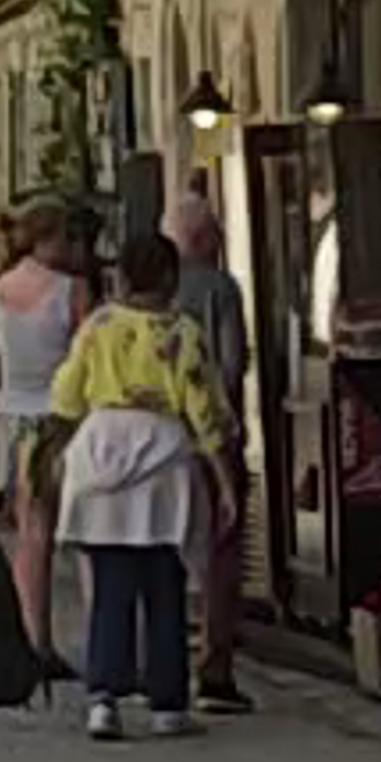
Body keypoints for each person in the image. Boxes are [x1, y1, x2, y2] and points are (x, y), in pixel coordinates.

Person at [49, 230, 235, 746]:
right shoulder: (183, 332)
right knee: (164, 584)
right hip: (162, 458)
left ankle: (103, 698)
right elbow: (204, 407)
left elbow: (65, 395)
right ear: (172, 278)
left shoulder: (98, 326)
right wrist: (224, 480)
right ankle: (168, 701)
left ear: (123, 276)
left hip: (101, 446)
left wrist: (49, 457)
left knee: (110, 586)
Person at [0, 201, 90, 678]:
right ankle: (102, 640)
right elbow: (91, 357)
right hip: (65, 419)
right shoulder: (72, 290)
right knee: (87, 532)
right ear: (51, 240)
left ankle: (36, 638)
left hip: (14, 416)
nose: (76, 250)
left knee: (31, 536)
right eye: (70, 239)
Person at [168, 180, 256, 712]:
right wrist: (226, 430)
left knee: (168, 550)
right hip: (207, 438)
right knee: (221, 550)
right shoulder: (219, 289)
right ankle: (214, 667)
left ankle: (167, 662)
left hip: (159, 443)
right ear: (204, 237)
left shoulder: (146, 295)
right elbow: (230, 363)